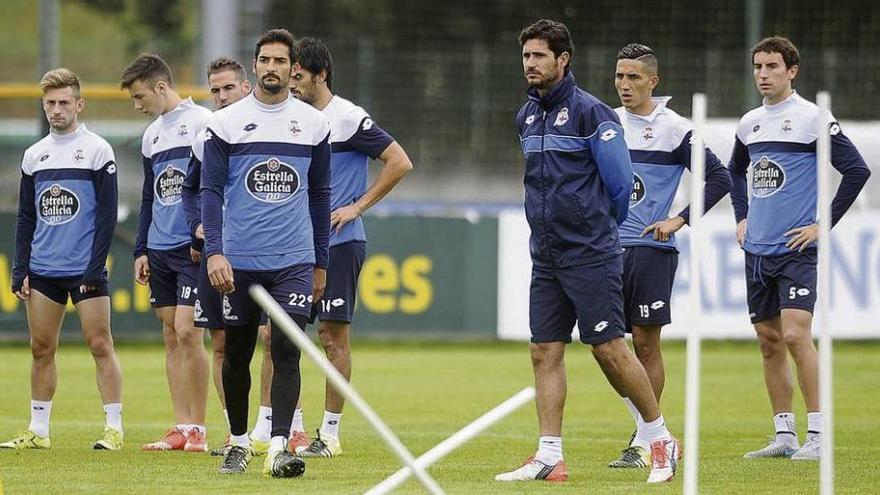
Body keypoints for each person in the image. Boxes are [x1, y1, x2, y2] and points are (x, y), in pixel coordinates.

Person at [495, 19, 678, 484]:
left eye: (539, 56)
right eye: (526, 56)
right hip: (546, 255)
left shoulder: (593, 114)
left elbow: (619, 186)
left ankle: (660, 439)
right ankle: (550, 456)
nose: (530, 64)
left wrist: (595, 229)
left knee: (610, 350)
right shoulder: (526, 116)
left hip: (591, 252)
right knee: (543, 350)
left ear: (563, 60)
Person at [730, 36, 870, 460]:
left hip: (795, 248)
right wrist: (742, 216)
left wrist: (821, 227)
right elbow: (735, 172)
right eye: (758, 66)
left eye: (772, 66)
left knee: (794, 334)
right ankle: (784, 435)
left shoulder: (812, 118)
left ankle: (818, 436)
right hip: (757, 249)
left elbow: (856, 170)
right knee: (768, 340)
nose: (763, 74)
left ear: (792, 71)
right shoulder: (749, 122)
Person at [201, 28, 330, 477]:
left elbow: (319, 195)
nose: (272, 68)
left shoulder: (313, 123)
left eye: (280, 61)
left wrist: (320, 260)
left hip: (293, 261)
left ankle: (278, 447)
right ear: (254, 66)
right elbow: (210, 191)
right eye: (264, 60)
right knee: (236, 354)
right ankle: (238, 442)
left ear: (293, 68)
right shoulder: (225, 123)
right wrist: (215, 252)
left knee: (286, 350)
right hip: (239, 263)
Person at [288, 36, 413, 458]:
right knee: (280, 334)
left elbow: (399, 161)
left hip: (340, 242)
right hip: (293, 244)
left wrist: (356, 206)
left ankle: (331, 434)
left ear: (320, 75)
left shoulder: (347, 118)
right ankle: (292, 430)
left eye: (299, 76)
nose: (292, 84)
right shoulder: (290, 119)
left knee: (331, 335)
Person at [608, 43, 732, 468]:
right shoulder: (605, 123)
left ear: (653, 82)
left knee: (644, 342)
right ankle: (652, 429)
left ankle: (646, 442)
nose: (625, 85)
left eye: (634, 77)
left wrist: (681, 218)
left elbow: (720, 176)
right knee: (602, 345)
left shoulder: (676, 128)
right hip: (605, 248)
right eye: (620, 76)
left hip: (651, 249)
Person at [1, 68, 123, 450]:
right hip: (43, 270)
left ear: (79, 104)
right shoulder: (34, 155)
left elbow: (106, 214)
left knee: (100, 344)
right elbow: (25, 215)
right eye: (50, 102)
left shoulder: (98, 150)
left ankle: (114, 428)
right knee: (41, 348)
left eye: (64, 102)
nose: (56, 109)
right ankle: (38, 430)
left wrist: (94, 265)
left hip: (85, 270)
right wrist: (21, 267)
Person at [179, 56, 289, 457]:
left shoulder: (275, 124)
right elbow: (190, 190)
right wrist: (197, 227)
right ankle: (234, 432)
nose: (222, 97)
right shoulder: (208, 134)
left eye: (229, 88)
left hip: (268, 249)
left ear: (246, 86)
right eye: (215, 90)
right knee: (222, 341)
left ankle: (272, 425)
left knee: (274, 336)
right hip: (220, 254)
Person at [121, 53, 212, 452]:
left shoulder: (202, 123)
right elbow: (148, 195)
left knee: (189, 331)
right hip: (158, 246)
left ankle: (200, 428)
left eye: (140, 96)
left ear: (161, 86)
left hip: (190, 246)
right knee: (170, 334)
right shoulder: (151, 136)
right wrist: (141, 247)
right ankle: (181, 426)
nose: (137, 105)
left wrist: (205, 236)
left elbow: (212, 185)